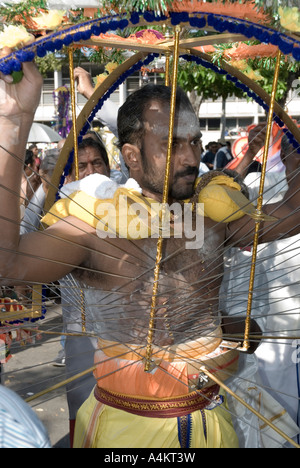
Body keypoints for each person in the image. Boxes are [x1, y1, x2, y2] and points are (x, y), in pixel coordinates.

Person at [1, 61, 300, 448]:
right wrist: (12, 124)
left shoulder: (210, 218)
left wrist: (292, 153)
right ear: (132, 155)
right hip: (127, 432)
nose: (191, 157)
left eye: (194, 141)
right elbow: (8, 263)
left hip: (213, 423)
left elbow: (292, 214)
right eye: (172, 144)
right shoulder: (95, 225)